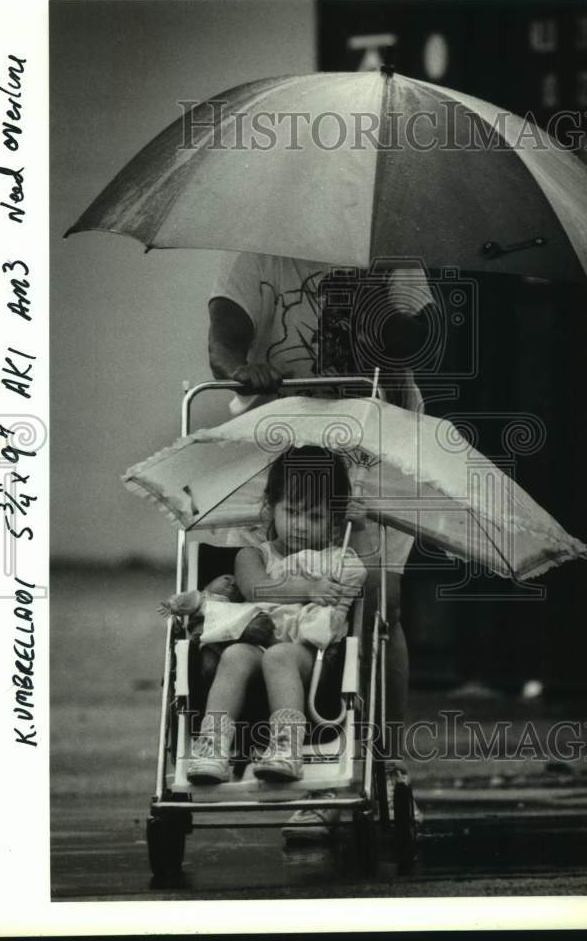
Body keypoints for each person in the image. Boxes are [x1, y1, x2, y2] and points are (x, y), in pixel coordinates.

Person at [207, 251, 432, 837]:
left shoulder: (392, 251)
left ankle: (385, 761)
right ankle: (306, 762)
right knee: (267, 598)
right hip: (280, 443)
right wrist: (242, 368)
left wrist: (379, 290)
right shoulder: (261, 252)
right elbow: (225, 338)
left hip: (374, 439)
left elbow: (414, 344)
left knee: (380, 604)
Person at [163, 446, 366, 785]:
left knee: (280, 656)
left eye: (315, 517)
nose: (301, 524)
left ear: (334, 521)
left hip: (310, 657)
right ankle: (213, 746)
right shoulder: (253, 555)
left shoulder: (338, 560)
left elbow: (359, 588)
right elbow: (257, 589)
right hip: (256, 641)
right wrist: (306, 589)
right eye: (293, 511)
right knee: (235, 655)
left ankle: (287, 746)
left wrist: (355, 536)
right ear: (271, 509)